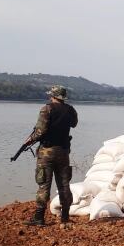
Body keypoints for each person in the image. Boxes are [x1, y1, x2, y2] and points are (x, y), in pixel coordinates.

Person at [22, 85, 78, 228]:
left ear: (53, 96)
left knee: (44, 185)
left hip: (47, 152)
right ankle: (65, 217)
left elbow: (40, 131)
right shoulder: (70, 110)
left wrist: (30, 139)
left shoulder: (46, 109)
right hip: (64, 152)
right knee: (64, 185)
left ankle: (39, 218)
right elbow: (74, 123)